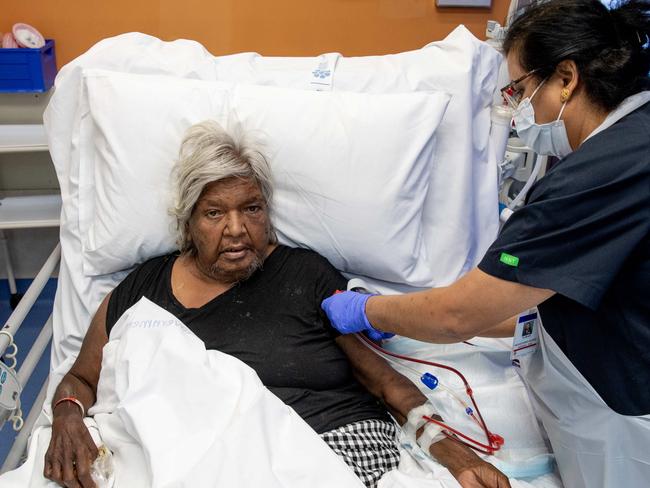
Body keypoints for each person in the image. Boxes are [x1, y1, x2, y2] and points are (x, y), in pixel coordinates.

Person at [43, 120, 509, 488]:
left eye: (251, 208)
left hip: (336, 445)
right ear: (187, 224)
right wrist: (67, 415)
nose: (236, 228)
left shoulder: (305, 275)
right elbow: (83, 376)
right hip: (210, 459)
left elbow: (382, 379)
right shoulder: (143, 289)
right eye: (214, 213)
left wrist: (450, 451)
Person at [322, 1, 650, 486]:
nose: (517, 110)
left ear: (566, 78)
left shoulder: (598, 175)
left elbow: (461, 314)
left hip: (628, 418)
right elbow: (540, 300)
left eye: (520, 90)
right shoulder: (633, 141)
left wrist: (368, 311)